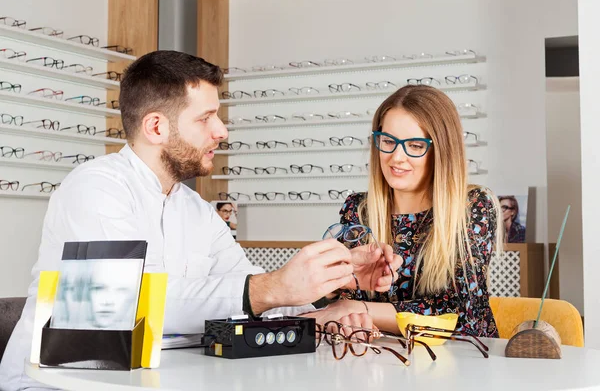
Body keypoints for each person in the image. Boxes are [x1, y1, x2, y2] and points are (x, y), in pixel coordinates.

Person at [0, 51, 401, 390]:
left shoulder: (193, 209)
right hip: (58, 384)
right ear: (156, 126)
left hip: (159, 379)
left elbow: (249, 296)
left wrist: (329, 287)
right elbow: (131, 309)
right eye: (206, 118)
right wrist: (274, 288)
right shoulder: (94, 190)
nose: (222, 131)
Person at [306, 85, 503, 337]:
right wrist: (332, 289)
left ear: (441, 151)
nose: (397, 157)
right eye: (388, 141)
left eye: (415, 145)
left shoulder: (473, 205)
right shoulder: (358, 208)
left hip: (463, 363)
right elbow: (336, 305)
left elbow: (461, 316)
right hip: (377, 361)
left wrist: (356, 308)